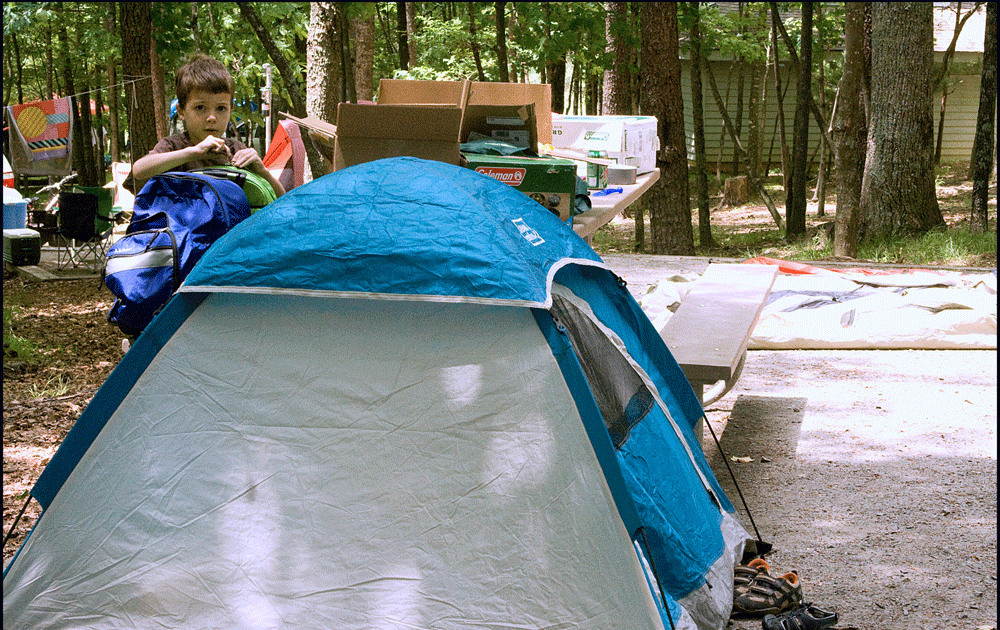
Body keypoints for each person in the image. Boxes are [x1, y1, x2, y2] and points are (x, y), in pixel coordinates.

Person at [130, 54, 285, 198]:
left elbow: (281, 199)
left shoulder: (237, 151)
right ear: (181, 111)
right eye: (200, 108)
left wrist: (261, 171)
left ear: (230, 110)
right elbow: (139, 170)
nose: (212, 118)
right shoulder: (173, 146)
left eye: (221, 108)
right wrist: (193, 153)